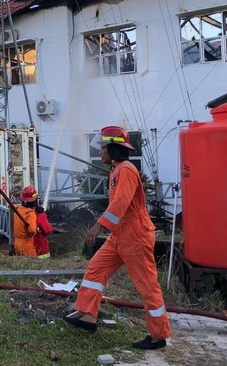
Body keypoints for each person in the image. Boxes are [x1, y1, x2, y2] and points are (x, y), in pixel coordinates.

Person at [64, 126, 171, 350]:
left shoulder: (126, 171)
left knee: (147, 286)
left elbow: (120, 204)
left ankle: (158, 335)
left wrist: (97, 227)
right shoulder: (117, 170)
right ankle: (87, 315)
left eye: (103, 147)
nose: (101, 152)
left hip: (135, 236)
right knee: (95, 269)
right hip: (120, 234)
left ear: (113, 148)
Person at [13, 186, 38, 257]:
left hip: (17, 243)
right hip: (27, 245)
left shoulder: (18, 211)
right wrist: (37, 229)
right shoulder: (31, 214)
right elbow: (32, 230)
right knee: (30, 266)